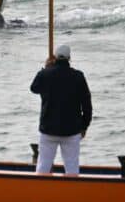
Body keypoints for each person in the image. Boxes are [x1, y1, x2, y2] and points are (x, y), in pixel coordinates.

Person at [30, 45, 92, 175]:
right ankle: (72, 193)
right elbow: (87, 105)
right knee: (72, 168)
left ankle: (40, 192)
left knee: (43, 166)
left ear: (54, 58)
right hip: (72, 129)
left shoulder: (45, 74)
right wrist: (84, 126)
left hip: (48, 129)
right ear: (69, 58)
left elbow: (34, 88)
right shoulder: (78, 76)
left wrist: (45, 68)